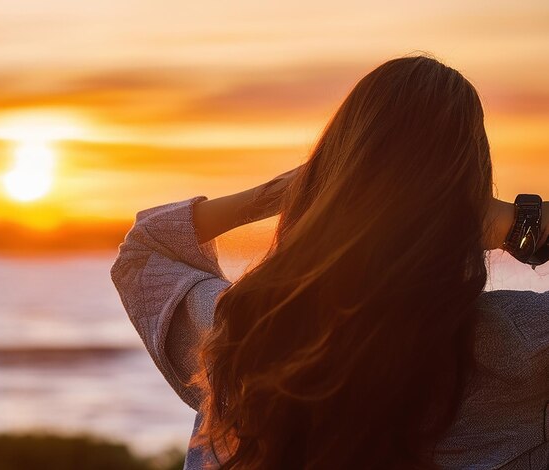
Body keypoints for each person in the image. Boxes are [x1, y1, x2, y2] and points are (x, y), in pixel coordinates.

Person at [110, 54, 549, 469]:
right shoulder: (523, 348)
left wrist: (290, 189)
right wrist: (519, 222)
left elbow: (145, 249)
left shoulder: (248, 335)